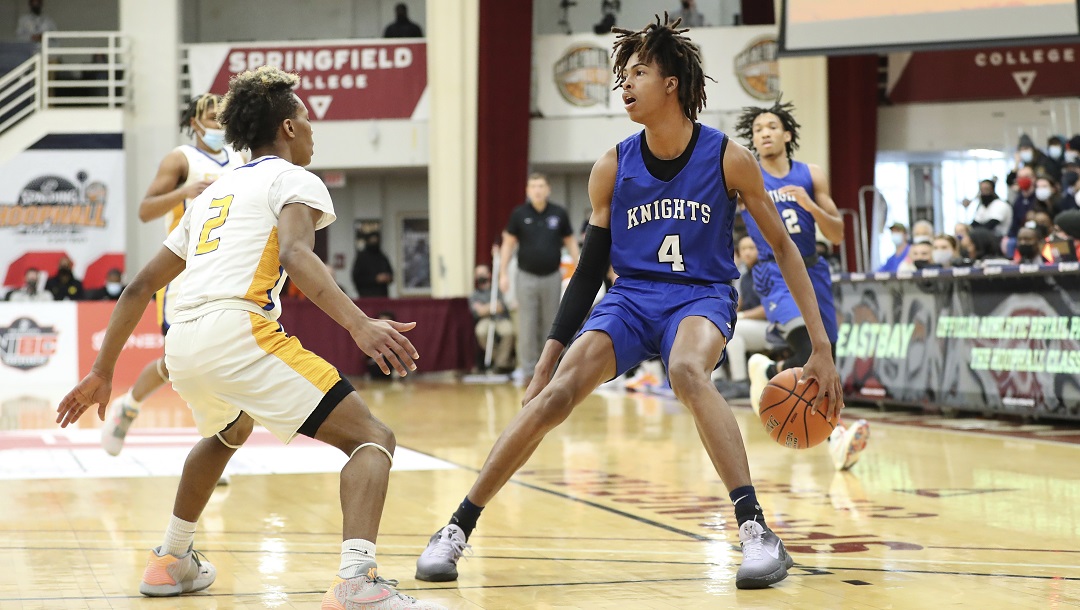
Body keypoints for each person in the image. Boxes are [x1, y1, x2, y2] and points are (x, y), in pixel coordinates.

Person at [415, 16, 844, 591]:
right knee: (556, 395)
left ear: (671, 83)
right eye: (622, 74)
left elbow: (788, 252)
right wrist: (549, 354)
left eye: (638, 71)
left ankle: (757, 532)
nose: (625, 83)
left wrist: (820, 347)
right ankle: (456, 528)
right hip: (633, 296)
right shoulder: (613, 165)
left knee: (688, 370)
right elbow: (591, 268)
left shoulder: (728, 158)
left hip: (701, 294)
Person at [55, 66, 442, 609]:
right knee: (372, 437)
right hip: (239, 329)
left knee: (228, 430)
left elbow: (140, 286)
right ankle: (357, 579)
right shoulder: (293, 177)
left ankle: (170, 559)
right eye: (307, 119)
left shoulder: (213, 194)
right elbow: (295, 255)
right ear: (286, 127)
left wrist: (102, 370)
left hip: (183, 339)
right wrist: (359, 323)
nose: (313, 130)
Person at [99, 93, 248, 458]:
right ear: (194, 123)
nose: (218, 123)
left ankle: (215, 445)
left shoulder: (241, 159)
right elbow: (145, 210)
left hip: (226, 272)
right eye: (211, 117)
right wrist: (183, 192)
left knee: (219, 358)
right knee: (176, 362)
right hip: (182, 274)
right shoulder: (181, 159)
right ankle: (129, 405)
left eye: (222, 117)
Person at [733, 98, 869, 472]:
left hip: (815, 270)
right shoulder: (747, 175)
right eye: (758, 129)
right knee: (809, 346)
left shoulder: (811, 174)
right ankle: (837, 437)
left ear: (786, 134)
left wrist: (811, 205)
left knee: (827, 361)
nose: (764, 133)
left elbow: (838, 233)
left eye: (771, 127)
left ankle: (770, 372)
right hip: (773, 272)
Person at [499, 173, 579, 386]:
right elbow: (507, 244)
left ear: (548, 189)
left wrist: (579, 266)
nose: (537, 190)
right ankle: (528, 372)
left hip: (552, 276)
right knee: (526, 326)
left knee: (552, 325)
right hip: (526, 277)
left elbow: (570, 242)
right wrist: (503, 273)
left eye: (541, 185)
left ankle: (550, 371)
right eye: (533, 186)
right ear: (527, 191)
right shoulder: (519, 214)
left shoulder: (558, 213)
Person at [719, 236, 768, 391]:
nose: (747, 252)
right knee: (718, 326)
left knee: (735, 330)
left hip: (773, 326)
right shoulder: (745, 276)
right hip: (752, 326)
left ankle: (740, 382)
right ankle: (717, 380)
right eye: (743, 249)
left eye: (751, 248)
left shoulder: (768, 272)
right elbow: (738, 305)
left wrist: (741, 317)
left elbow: (769, 309)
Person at [470, 265, 515, 372]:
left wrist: (485, 307)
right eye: (478, 274)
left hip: (500, 319)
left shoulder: (497, 290)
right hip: (485, 320)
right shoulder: (474, 295)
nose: (481, 276)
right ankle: (500, 360)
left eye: (483, 273)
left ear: (489, 274)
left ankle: (502, 364)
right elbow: (478, 312)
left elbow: (501, 307)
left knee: (509, 332)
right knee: (481, 331)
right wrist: (492, 307)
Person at [351, 232, 394, 297]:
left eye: (376, 240)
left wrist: (387, 277)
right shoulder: (362, 258)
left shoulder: (382, 257)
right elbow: (357, 277)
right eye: (372, 240)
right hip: (366, 295)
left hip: (382, 296)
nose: (374, 242)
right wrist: (375, 279)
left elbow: (390, 274)